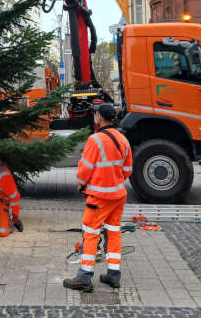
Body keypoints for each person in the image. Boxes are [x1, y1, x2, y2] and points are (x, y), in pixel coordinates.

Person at [63, 103, 132, 292]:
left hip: (98, 198)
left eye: (96, 115)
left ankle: (84, 277)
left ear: (100, 118)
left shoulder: (95, 140)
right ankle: (113, 275)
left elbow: (84, 170)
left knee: (91, 234)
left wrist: (82, 184)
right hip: (118, 196)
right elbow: (127, 170)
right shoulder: (123, 140)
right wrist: (114, 180)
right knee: (114, 233)